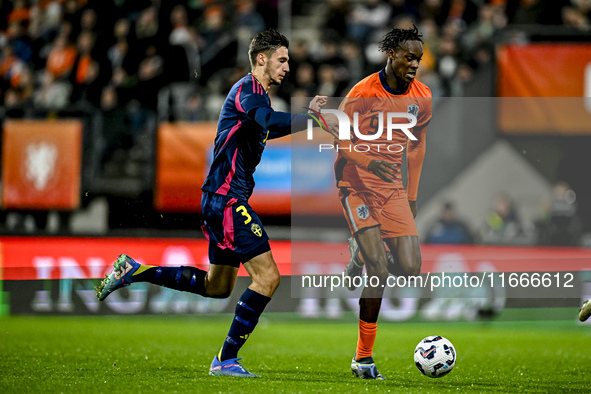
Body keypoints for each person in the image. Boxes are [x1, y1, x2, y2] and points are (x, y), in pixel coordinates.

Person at [95, 29, 334, 378]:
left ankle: (134, 270)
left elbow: (270, 125)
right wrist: (309, 118)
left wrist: (304, 120)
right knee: (267, 278)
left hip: (219, 199)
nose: (287, 67)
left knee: (217, 286)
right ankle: (225, 360)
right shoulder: (247, 91)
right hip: (226, 198)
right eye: (282, 60)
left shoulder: (259, 98)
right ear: (262, 59)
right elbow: (267, 121)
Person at [335, 25, 432, 379]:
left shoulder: (422, 96)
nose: (415, 64)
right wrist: (367, 161)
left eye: (419, 59)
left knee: (410, 267)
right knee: (378, 270)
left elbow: (418, 144)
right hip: (355, 181)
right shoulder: (362, 92)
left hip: (391, 189)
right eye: (410, 57)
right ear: (391, 54)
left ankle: (360, 250)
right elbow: (340, 142)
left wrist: (413, 195)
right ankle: (363, 358)